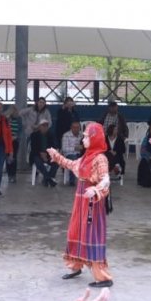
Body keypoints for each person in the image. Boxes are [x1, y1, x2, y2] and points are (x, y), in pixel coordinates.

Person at [46, 121, 113, 286]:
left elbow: (106, 180)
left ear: (94, 138)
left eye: (85, 137)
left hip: (92, 204)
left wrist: (95, 190)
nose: (83, 140)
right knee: (76, 230)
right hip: (81, 200)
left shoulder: (100, 158)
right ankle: (76, 266)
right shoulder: (87, 157)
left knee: (91, 235)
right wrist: (56, 156)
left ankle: (103, 277)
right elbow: (71, 165)